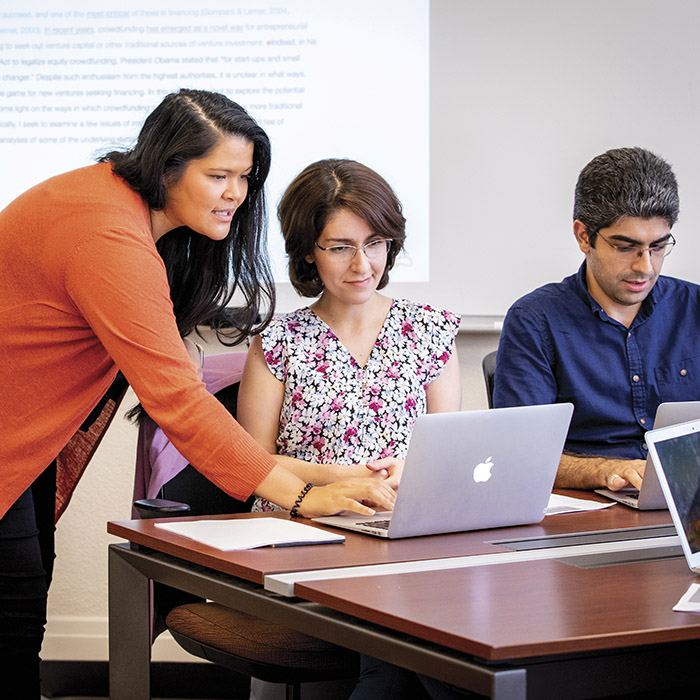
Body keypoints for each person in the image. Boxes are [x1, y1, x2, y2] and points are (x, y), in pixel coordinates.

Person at [0, 89, 395, 699]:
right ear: (165, 168)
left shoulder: (114, 202)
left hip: (21, 439)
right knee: (11, 621)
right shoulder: (109, 238)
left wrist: (313, 479)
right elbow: (179, 403)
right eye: (218, 175)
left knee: (19, 613)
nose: (236, 192)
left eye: (245, 176)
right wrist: (300, 499)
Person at [236, 158, 461, 698]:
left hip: (403, 535)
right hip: (305, 534)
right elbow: (247, 458)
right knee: (416, 652)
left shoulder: (432, 330)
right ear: (308, 251)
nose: (363, 264)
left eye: (376, 242)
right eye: (340, 247)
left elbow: (449, 450)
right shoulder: (279, 342)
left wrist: (409, 470)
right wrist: (336, 477)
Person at [493, 146, 700, 492]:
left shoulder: (694, 308)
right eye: (625, 247)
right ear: (583, 236)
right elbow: (518, 453)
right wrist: (604, 470)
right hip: (590, 508)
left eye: (658, 247)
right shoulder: (535, 321)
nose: (645, 267)